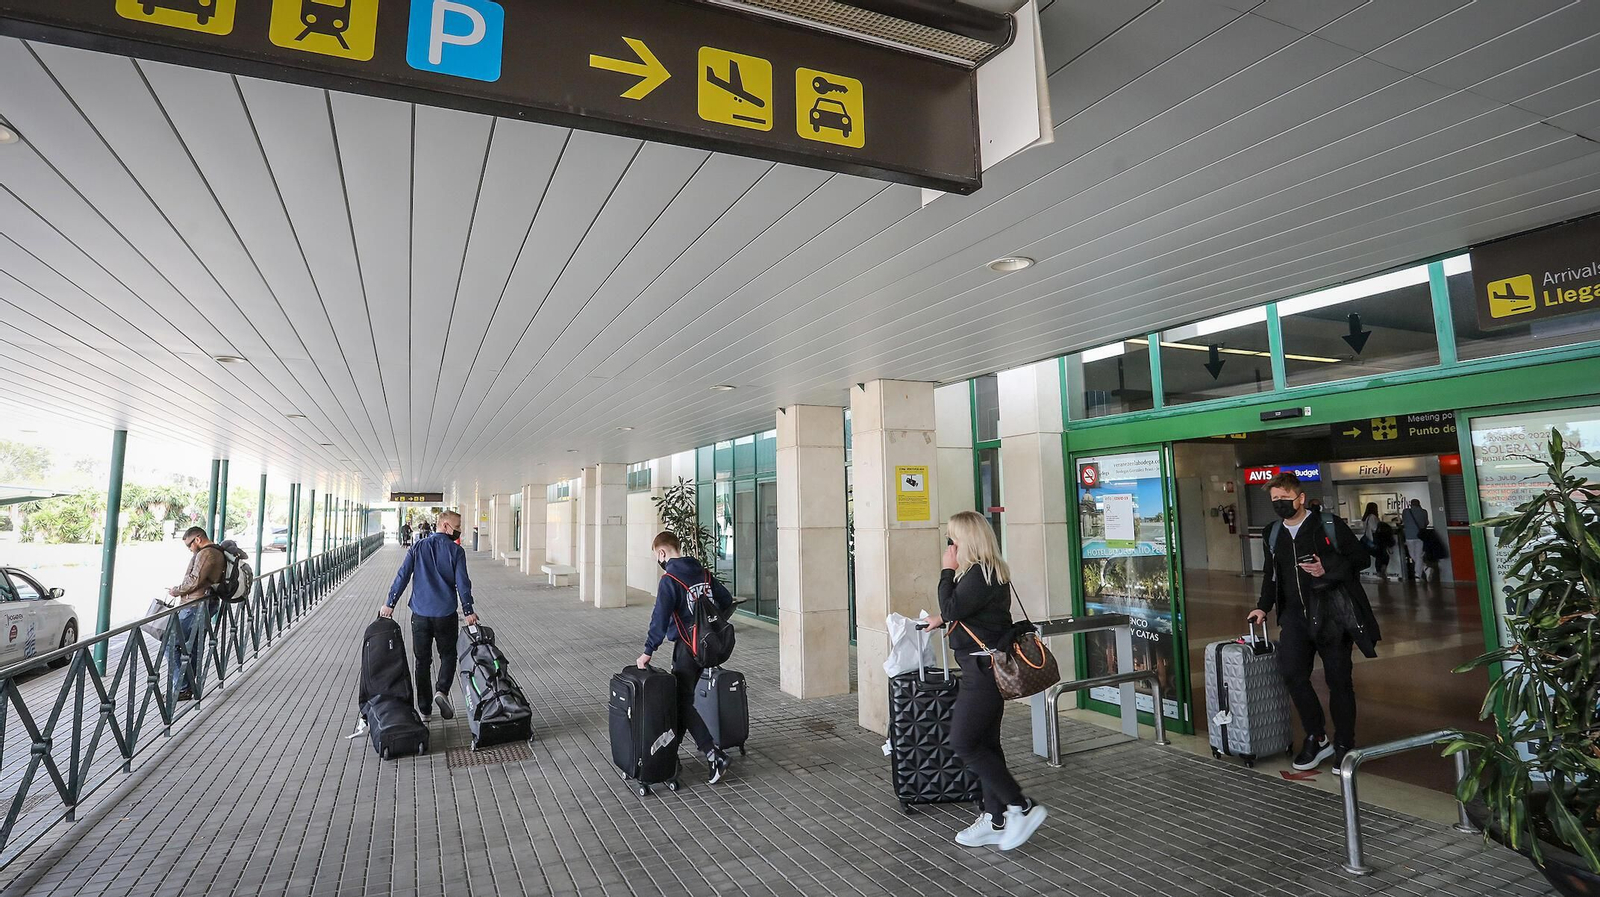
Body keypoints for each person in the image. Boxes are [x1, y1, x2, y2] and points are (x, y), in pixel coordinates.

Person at [921, 511, 1049, 851]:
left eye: (953, 537)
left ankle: (1021, 806)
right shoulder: (985, 572)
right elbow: (962, 612)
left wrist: (946, 570)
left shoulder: (980, 573)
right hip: (983, 668)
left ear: (967, 539)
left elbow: (952, 607)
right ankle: (996, 818)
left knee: (963, 741)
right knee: (987, 743)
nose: (950, 544)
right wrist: (941, 618)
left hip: (983, 673)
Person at [1248, 473, 1380, 771]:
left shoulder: (1328, 525)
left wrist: (1326, 568)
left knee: (1339, 682)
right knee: (1293, 675)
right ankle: (1317, 737)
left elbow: (1361, 559)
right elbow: (1271, 575)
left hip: (1332, 614)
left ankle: (1344, 743)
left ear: (1301, 498)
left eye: (1285, 498)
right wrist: (1262, 607)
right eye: (1275, 500)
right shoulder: (1272, 533)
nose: (1280, 504)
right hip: (1294, 617)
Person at [636, 531, 735, 785]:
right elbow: (726, 600)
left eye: (657, 556)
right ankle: (669, 756)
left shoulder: (670, 580)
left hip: (687, 648)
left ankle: (713, 754)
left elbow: (659, 619)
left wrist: (648, 651)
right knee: (684, 698)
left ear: (662, 553)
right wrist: (709, 628)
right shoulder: (703, 574)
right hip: (707, 647)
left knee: (681, 700)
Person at [382, 510, 476, 722]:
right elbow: (463, 584)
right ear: (445, 525)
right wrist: (468, 610)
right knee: (448, 655)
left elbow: (402, 576)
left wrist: (390, 604)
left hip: (420, 614)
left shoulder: (418, 547)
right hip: (446, 614)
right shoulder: (456, 551)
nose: (459, 530)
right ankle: (441, 690)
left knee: (422, 662)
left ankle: (424, 710)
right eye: (457, 526)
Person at [166, 526, 226, 701]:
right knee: (192, 647)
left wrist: (176, 590)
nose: (189, 549)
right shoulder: (216, 551)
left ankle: (183, 687)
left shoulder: (206, 553)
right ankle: (189, 688)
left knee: (170, 642)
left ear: (198, 539)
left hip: (195, 606)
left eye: (189, 545)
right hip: (205, 603)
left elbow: (194, 580)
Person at [1401, 499, 1429, 582]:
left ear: (1411, 504)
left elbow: (1403, 521)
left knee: (1413, 555)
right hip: (1420, 536)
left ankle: (1419, 574)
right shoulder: (1424, 512)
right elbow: (1426, 523)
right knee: (1419, 555)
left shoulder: (1405, 511)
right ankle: (1423, 570)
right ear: (1419, 504)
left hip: (1409, 536)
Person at [1360, 502, 1389, 581]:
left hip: (1368, 541)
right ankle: (1380, 572)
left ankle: (1380, 572)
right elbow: (1375, 528)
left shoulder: (1366, 518)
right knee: (1383, 556)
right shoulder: (1373, 517)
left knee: (1379, 556)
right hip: (1374, 541)